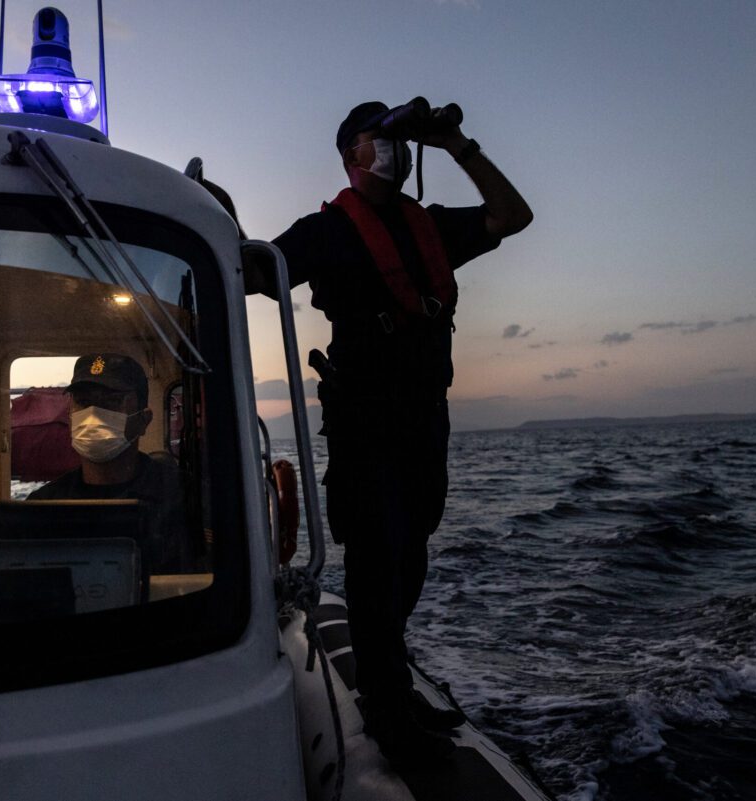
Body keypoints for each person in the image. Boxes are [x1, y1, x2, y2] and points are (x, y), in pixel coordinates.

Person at [257, 101, 533, 767]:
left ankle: (392, 680)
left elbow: (512, 216)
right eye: (378, 140)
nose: (391, 150)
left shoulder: (430, 227)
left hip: (423, 419)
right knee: (376, 555)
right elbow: (253, 269)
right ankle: (386, 705)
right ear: (352, 153)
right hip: (364, 420)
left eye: (397, 140)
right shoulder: (324, 232)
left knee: (411, 553)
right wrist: (213, 216)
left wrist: (454, 143)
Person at [27, 354, 188, 575]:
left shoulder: (183, 495)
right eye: (83, 402)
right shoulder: (43, 505)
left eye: (111, 402)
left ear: (143, 420)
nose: (93, 415)